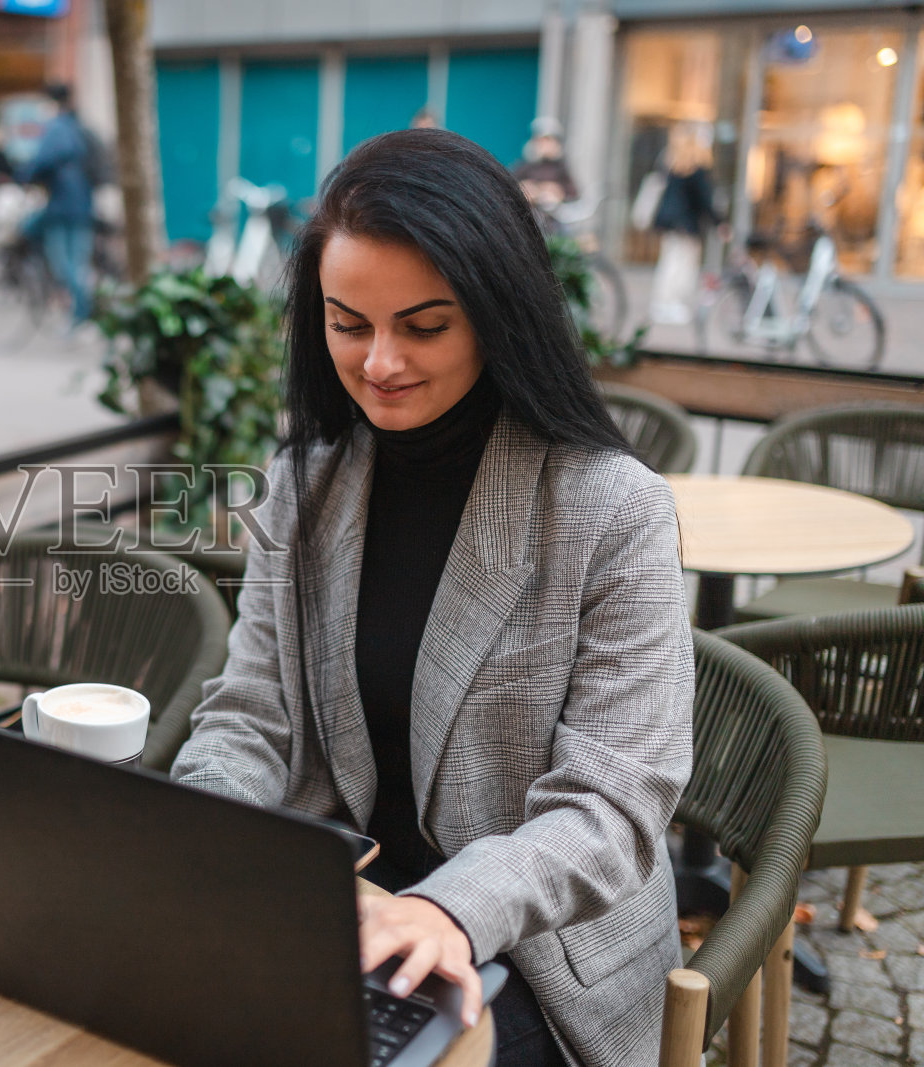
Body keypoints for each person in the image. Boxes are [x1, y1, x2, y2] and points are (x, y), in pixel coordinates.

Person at [169, 129, 693, 1066]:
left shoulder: (611, 508)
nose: (378, 362)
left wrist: (449, 906)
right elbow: (251, 713)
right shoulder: (306, 483)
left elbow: (613, 806)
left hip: (538, 946)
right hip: (346, 903)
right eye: (347, 323)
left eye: (423, 327)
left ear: (497, 314)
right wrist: (203, 835)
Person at [18, 84, 95, 326]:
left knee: (65, 264)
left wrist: (23, 176)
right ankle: (83, 309)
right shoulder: (75, 126)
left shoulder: (57, 128)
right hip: (81, 203)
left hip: (62, 206)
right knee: (77, 263)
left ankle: (81, 312)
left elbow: (42, 160)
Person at [649, 121, 723, 325]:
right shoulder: (696, 169)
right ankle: (671, 303)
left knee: (670, 263)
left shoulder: (672, 164)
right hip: (686, 225)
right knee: (682, 266)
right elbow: (705, 200)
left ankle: (662, 302)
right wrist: (718, 222)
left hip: (670, 223)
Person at [512, 116, 579, 214]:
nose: (544, 145)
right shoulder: (526, 166)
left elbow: (574, 195)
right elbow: (510, 184)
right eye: (541, 141)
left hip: (553, 217)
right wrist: (524, 189)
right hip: (530, 214)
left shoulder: (560, 167)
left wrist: (559, 193)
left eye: (548, 140)